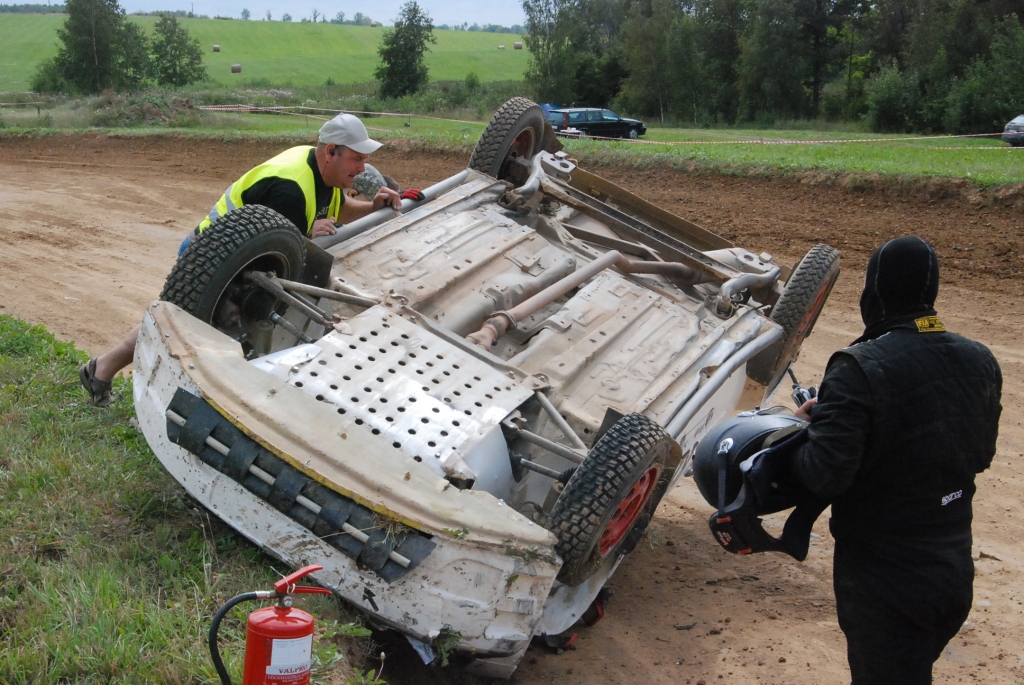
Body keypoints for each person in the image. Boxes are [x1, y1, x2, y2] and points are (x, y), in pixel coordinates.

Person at [789, 235, 1002, 684]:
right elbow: (980, 454)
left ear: (876, 289)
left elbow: (824, 475)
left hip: (885, 586)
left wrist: (809, 432)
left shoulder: (857, 366)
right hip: (952, 573)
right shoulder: (980, 359)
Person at [80, 113, 403, 406]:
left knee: (181, 323)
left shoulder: (319, 168)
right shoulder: (289, 188)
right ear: (331, 151)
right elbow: (282, 246)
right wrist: (307, 234)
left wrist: (373, 206)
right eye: (357, 159)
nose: (362, 169)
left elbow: (338, 209)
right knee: (185, 328)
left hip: (236, 256)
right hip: (214, 257)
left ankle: (103, 370)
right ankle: (132, 383)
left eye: (365, 160)